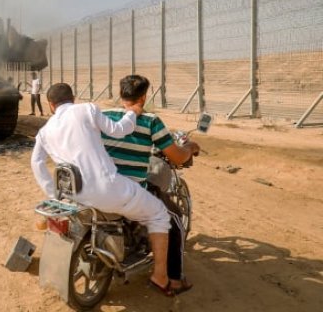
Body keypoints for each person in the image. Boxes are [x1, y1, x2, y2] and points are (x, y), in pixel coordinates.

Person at [30, 83, 174, 296]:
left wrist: (54, 194)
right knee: (159, 214)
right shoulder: (86, 109)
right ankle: (160, 276)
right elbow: (119, 130)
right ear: (73, 97)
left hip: (73, 195)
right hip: (107, 189)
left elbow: (37, 163)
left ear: (51, 105)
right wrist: (132, 113)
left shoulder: (44, 131)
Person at [102, 75, 200, 295]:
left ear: (121, 94)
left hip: (102, 186)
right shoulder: (150, 121)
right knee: (174, 219)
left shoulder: (103, 116)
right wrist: (191, 148)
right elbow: (176, 157)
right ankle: (172, 280)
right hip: (131, 190)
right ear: (144, 96)